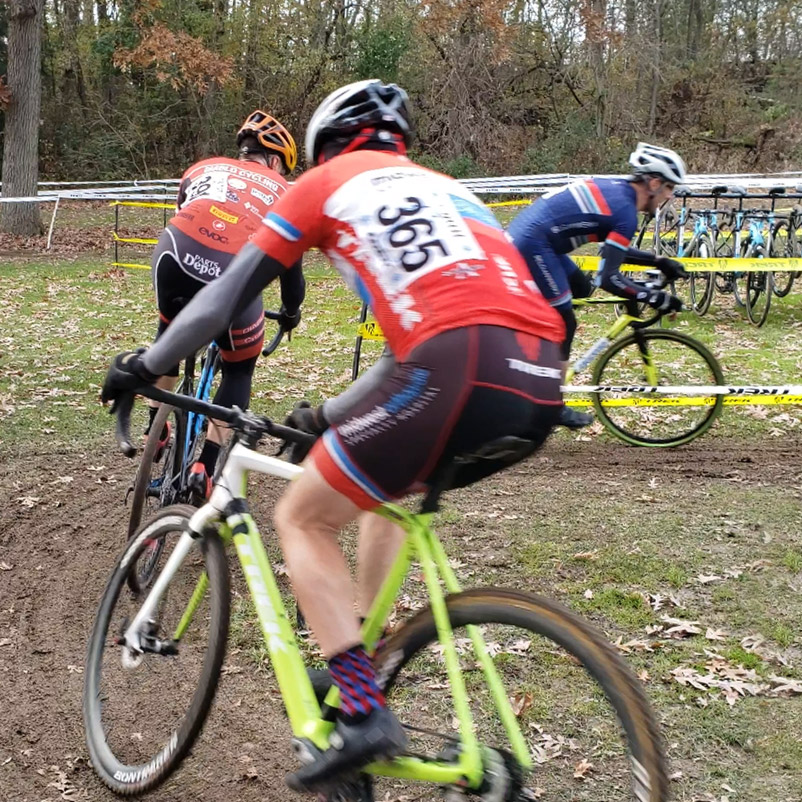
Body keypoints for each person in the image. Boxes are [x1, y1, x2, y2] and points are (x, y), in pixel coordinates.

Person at [101, 80, 566, 790]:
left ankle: (361, 705)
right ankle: (369, 661)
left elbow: (225, 298)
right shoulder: (449, 193)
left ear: (322, 144)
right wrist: (324, 417)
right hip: (537, 372)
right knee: (388, 493)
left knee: (300, 516)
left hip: (451, 362)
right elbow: (407, 348)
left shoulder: (325, 185)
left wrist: (147, 365)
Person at [147, 110, 305, 497]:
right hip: (232, 271)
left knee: (171, 327)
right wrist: (289, 311)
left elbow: (187, 212)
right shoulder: (288, 193)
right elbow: (290, 270)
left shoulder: (202, 168)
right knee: (239, 369)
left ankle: (156, 425)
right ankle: (207, 465)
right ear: (273, 161)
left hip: (175, 253)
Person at [507, 142, 689, 429]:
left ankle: (532, 353)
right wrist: (654, 297)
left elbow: (612, 252)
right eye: (669, 188)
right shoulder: (626, 211)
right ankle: (551, 403)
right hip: (534, 244)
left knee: (581, 289)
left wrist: (658, 261)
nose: (670, 195)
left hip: (542, 241)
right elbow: (609, 277)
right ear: (654, 182)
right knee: (564, 320)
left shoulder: (621, 194)